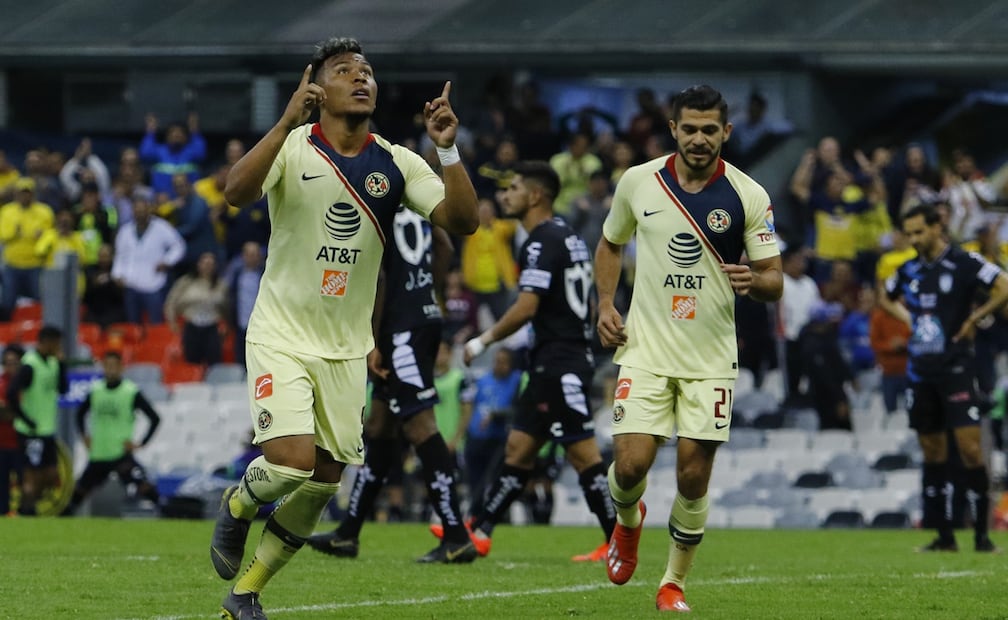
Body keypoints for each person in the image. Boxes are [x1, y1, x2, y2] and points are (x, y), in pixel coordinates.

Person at [210, 36, 478, 619]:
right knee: (289, 462)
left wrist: (449, 152)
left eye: (368, 72)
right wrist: (282, 122)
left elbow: (464, 221)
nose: (361, 79)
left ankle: (246, 592)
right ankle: (236, 507)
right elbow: (234, 193)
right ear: (318, 87)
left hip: (346, 351)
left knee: (323, 482)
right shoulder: (293, 145)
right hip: (280, 334)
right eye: (345, 70)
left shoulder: (398, 161)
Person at [594, 85, 782, 612]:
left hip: (710, 360)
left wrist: (754, 279)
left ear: (727, 132)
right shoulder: (639, 182)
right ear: (673, 129)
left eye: (710, 130)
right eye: (689, 129)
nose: (699, 140)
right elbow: (611, 242)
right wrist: (606, 303)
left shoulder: (749, 195)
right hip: (646, 349)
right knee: (630, 466)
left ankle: (672, 582)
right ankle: (627, 525)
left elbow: (775, 279)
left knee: (692, 476)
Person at [433, 161, 616, 561]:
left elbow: (527, 306)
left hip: (560, 359)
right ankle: (479, 529)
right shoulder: (568, 236)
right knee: (518, 449)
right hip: (552, 358)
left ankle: (618, 539)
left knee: (583, 453)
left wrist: (483, 341)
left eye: (513, 187)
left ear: (535, 196)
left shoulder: (539, 241)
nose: (504, 195)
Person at [306, 207, 474, 562]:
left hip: (400, 331)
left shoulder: (372, 208)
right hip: (423, 320)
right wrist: (428, 293)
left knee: (420, 424)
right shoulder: (414, 209)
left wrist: (373, 339)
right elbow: (444, 245)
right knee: (380, 426)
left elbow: (378, 275)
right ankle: (348, 533)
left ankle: (457, 535)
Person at [878, 203, 1008, 552]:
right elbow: (885, 295)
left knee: (969, 450)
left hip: (957, 370)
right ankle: (944, 536)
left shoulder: (965, 263)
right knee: (932, 452)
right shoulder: (908, 269)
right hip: (920, 373)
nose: (915, 239)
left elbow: (1004, 287)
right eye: (910, 233)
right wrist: (907, 319)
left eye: (920, 231)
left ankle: (982, 535)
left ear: (939, 227)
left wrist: (973, 319)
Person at [63, 351, 161, 515]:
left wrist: (141, 443)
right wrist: (84, 436)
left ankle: (169, 515)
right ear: (103, 367)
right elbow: (79, 414)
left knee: (144, 486)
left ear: (122, 368)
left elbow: (155, 418)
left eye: (114, 366)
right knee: (78, 494)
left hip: (120, 453)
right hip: (99, 453)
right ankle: (61, 522)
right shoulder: (95, 390)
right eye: (107, 366)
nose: (111, 370)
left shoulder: (130, 391)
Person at [10, 326, 68, 515]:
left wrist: (62, 365)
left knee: (51, 475)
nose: (59, 347)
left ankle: (27, 507)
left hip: (46, 429)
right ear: (46, 342)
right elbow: (11, 393)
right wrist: (26, 420)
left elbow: (63, 389)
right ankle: (26, 512)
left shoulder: (52, 363)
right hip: (30, 431)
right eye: (56, 343)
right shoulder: (29, 365)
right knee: (31, 475)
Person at [111, 189, 186, 324]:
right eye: (136, 210)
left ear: (149, 209)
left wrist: (167, 261)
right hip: (131, 283)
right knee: (133, 326)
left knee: (155, 325)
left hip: (153, 284)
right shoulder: (125, 231)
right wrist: (117, 274)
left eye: (142, 210)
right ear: (132, 211)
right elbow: (120, 256)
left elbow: (179, 246)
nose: (139, 213)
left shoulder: (162, 227)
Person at [0, 178, 55, 318]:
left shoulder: (45, 211)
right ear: (16, 194)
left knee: (39, 299)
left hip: (36, 264)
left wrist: (42, 236)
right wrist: (14, 232)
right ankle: (5, 332)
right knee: (8, 301)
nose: (25, 196)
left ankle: (38, 329)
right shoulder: (7, 211)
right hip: (12, 264)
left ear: (33, 194)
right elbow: (3, 235)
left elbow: (51, 235)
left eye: (28, 193)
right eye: (22, 193)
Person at [0, 345, 24, 516]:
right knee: (2, 484)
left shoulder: (26, 383)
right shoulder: (1, 382)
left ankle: (26, 513)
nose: (11, 366)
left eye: (15, 363)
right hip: (2, 442)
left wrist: (10, 410)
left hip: (22, 441)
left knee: (26, 482)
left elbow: (8, 411)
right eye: (8, 362)